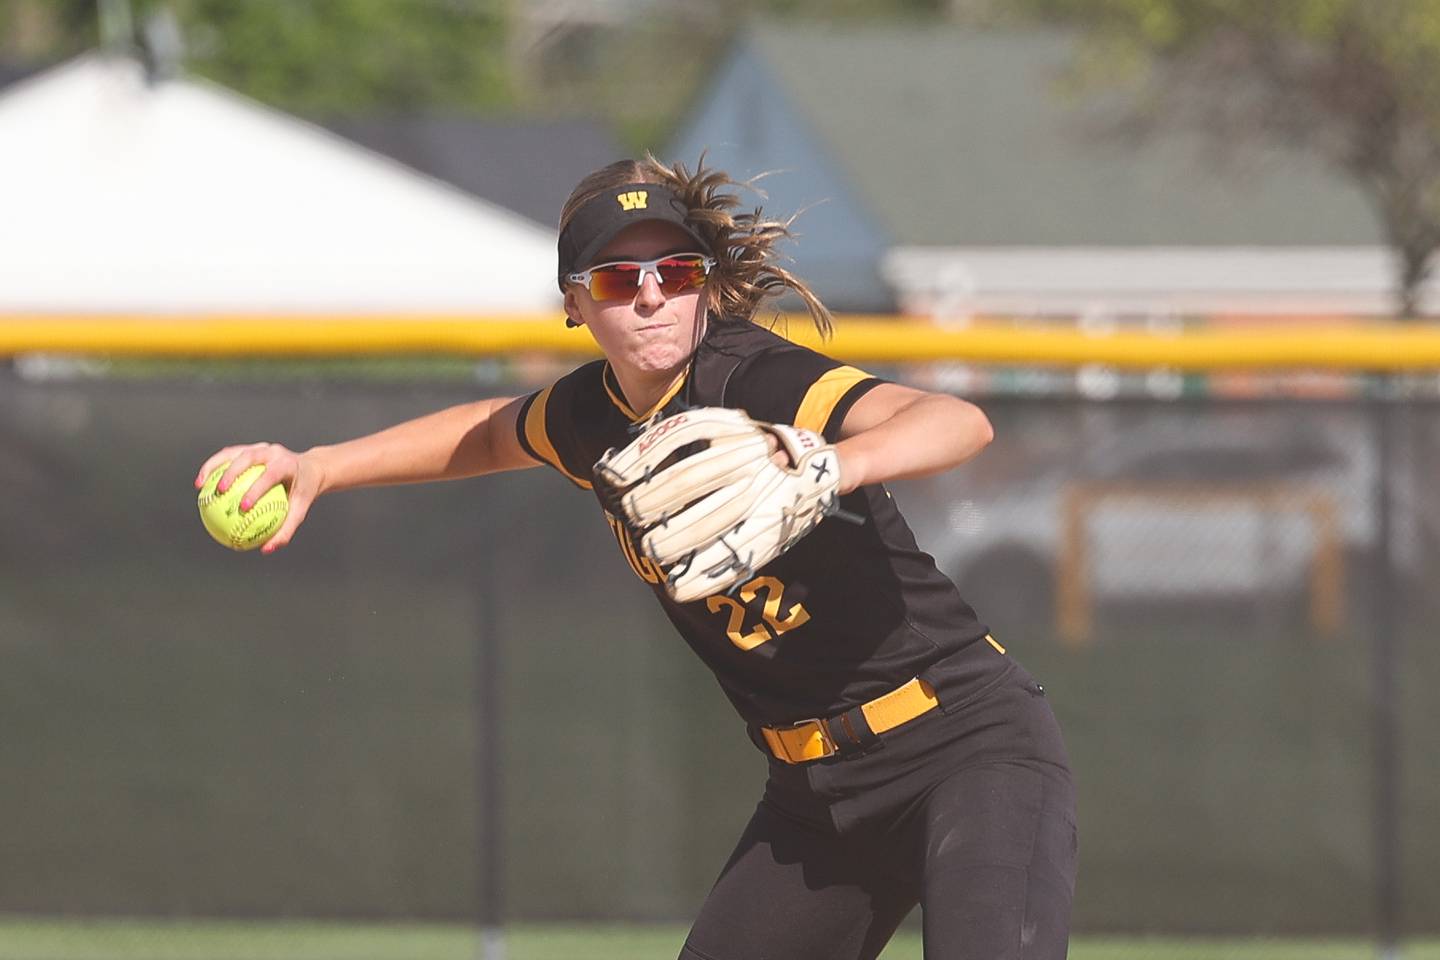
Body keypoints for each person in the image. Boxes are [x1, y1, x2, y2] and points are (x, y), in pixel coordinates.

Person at [196, 155, 1077, 959]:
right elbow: (487, 432)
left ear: (704, 289)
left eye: (677, 272)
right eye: (620, 277)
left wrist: (824, 464)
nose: (652, 295)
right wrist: (317, 467)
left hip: (964, 747)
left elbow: (958, 421)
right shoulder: (588, 418)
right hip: (816, 795)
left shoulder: (751, 380)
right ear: (575, 304)